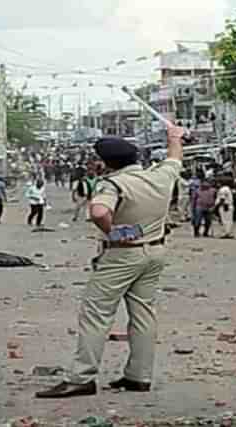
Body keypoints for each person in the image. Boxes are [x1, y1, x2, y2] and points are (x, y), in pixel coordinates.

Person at [36, 126, 184, 399]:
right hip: (154, 252)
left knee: (96, 314)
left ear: (105, 163)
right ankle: (139, 376)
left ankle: (81, 377)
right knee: (143, 314)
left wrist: (113, 232)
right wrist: (174, 136)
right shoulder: (160, 176)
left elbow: (99, 211)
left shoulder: (112, 183)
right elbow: (175, 158)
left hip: (121, 255)